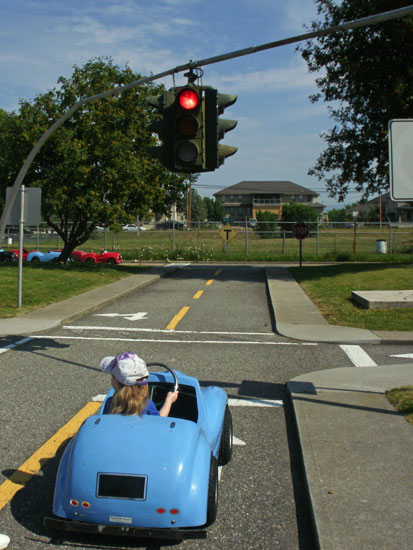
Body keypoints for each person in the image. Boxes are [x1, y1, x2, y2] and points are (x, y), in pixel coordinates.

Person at [100, 352, 178, 417]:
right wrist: (169, 400)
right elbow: (158, 420)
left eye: (113, 376)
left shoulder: (111, 403)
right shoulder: (147, 405)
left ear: (117, 382)